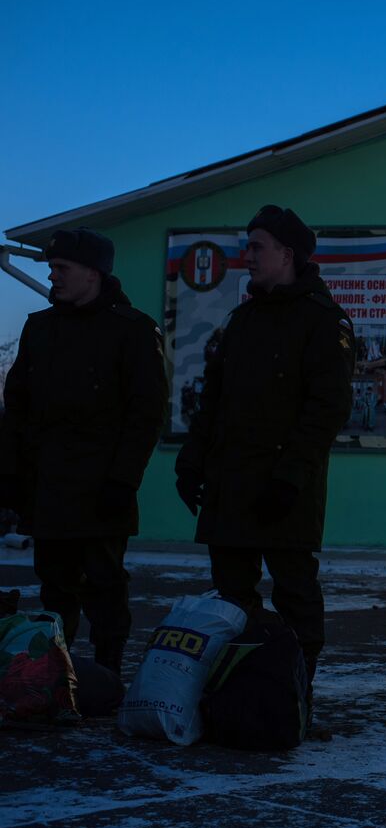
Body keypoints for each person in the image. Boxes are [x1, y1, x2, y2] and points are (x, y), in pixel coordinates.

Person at [175, 205, 353, 732]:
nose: (245, 256)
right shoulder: (242, 320)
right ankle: (240, 693)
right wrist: (191, 462)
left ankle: (296, 695)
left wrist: (289, 478)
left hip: (284, 489)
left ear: (287, 254)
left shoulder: (324, 321)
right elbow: (213, 402)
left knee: (295, 594)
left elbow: (326, 412)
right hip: (230, 485)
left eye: (256, 247)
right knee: (231, 598)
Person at [0, 228, 167, 676]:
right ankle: (58, 676)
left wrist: (122, 480)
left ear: (92, 274)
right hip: (49, 485)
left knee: (105, 585)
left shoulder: (132, 330)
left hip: (102, 488)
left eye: (62, 269)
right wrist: (11, 475)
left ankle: (109, 671)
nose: (53, 277)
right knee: (55, 587)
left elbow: (146, 415)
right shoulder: (41, 327)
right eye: (52, 269)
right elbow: (16, 409)